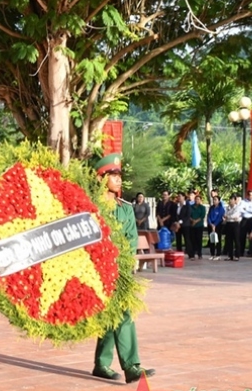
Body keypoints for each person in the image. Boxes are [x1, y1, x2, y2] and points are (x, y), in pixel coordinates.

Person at [91, 154, 155, 384]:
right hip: (98, 270)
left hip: (120, 270)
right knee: (119, 314)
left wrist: (125, 263)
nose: (118, 180)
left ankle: (105, 364)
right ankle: (129, 365)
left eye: (119, 176)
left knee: (117, 313)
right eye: (113, 176)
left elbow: (130, 238)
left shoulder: (125, 209)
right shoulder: (92, 207)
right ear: (101, 179)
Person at [239, 190, 252, 258]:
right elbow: (241, 210)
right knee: (242, 236)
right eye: (250, 195)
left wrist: (246, 209)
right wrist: (248, 210)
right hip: (244, 219)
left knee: (251, 236)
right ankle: (240, 251)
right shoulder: (243, 202)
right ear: (247, 195)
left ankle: (251, 252)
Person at [222, 195, 242, 261]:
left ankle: (237, 255)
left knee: (236, 240)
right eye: (230, 199)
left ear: (235, 200)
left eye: (232, 199)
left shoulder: (237, 208)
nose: (230, 201)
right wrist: (228, 217)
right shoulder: (227, 208)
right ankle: (230, 255)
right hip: (228, 224)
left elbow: (235, 216)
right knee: (229, 240)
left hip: (235, 224)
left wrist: (228, 216)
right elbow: (225, 215)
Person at [188, 193, 207, 260]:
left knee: (199, 240)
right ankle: (192, 254)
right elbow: (188, 215)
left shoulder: (202, 207)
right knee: (192, 240)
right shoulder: (191, 207)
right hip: (192, 226)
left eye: (198, 199)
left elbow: (202, 216)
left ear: (200, 200)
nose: (197, 200)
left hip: (199, 225)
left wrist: (195, 221)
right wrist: (192, 221)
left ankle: (199, 253)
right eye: (196, 199)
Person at [207, 196, 225, 260]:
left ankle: (218, 254)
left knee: (218, 240)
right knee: (211, 240)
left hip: (218, 225)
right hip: (211, 225)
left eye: (215, 200)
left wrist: (215, 225)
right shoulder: (211, 208)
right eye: (213, 200)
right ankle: (212, 254)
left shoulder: (221, 208)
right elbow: (208, 216)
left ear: (219, 201)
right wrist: (210, 224)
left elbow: (220, 217)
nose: (214, 201)